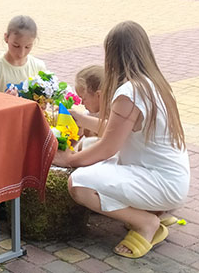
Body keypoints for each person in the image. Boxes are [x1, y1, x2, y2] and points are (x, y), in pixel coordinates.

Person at [53, 21, 190, 259]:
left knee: (79, 184)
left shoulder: (129, 93)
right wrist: (82, 119)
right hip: (168, 178)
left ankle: (146, 223)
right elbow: (116, 130)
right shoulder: (154, 84)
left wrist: (69, 160)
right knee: (88, 148)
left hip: (160, 182)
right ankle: (152, 211)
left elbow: (108, 146)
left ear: (112, 54)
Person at [0, 15, 47, 93]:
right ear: (6, 37)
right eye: (16, 46)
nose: (21, 53)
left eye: (27, 47)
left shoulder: (38, 67)